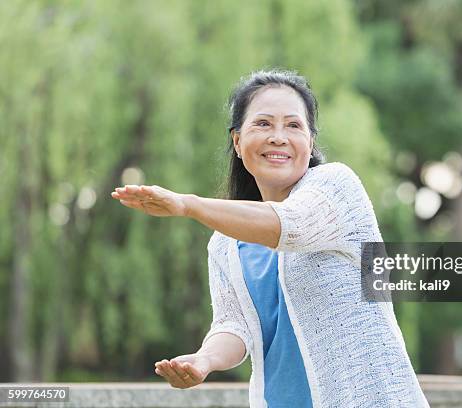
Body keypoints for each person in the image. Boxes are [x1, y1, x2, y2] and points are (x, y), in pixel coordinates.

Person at [111, 69, 429, 408]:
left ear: (310, 142)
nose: (278, 137)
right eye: (263, 124)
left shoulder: (338, 189)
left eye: (293, 126)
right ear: (236, 140)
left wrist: (189, 205)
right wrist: (204, 360)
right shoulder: (225, 242)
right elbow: (235, 325)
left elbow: (290, 226)